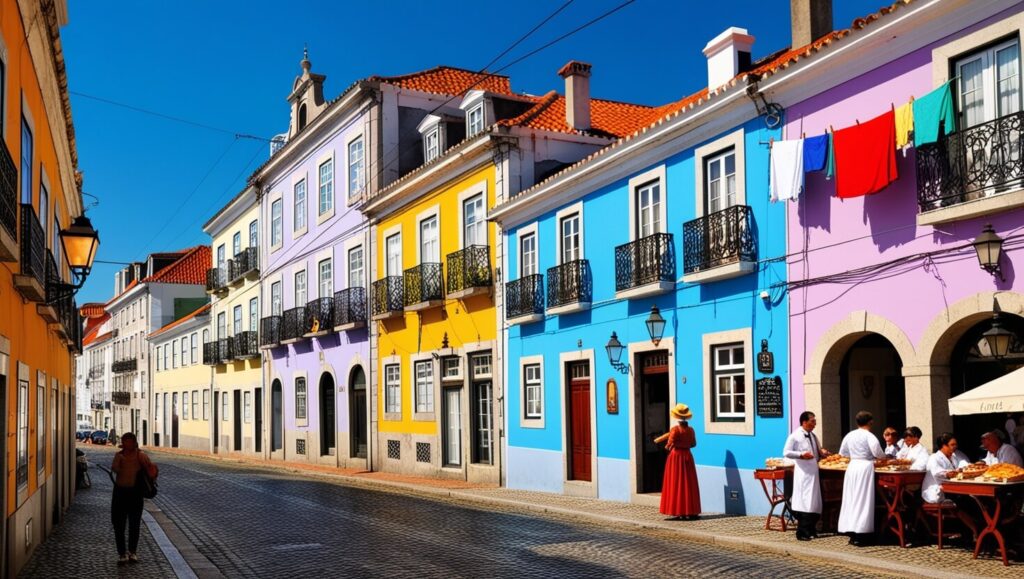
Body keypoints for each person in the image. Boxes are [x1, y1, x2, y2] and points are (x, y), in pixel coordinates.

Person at [837, 411, 886, 546]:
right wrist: (886, 457)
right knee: (863, 499)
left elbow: (842, 453)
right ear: (870, 422)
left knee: (851, 498)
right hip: (865, 467)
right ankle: (861, 533)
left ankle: (851, 532)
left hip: (852, 466)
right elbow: (878, 452)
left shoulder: (849, 435)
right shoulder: (869, 436)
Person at [111, 432, 157, 564]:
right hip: (120, 493)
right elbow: (114, 468)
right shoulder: (118, 456)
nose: (127, 444)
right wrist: (118, 465)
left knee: (134, 525)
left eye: (130, 442)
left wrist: (150, 474)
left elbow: (151, 470)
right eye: (126, 442)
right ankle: (122, 553)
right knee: (119, 525)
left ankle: (132, 552)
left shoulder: (141, 456)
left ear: (134, 443)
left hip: (135, 494)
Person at [921, 433, 978, 541]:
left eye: (955, 444)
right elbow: (938, 473)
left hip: (952, 489)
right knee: (959, 501)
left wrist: (966, 468)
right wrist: (951, 473)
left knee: (971, 499)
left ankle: (973, 528)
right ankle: (975, 529)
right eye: (952, 445)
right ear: (944, 445)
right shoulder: (934, 458)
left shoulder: (955, 455)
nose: (955, 447)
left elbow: (964, 464)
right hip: (936, 490)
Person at [783, 411, 830, 540]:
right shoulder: (795, 436)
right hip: (803, 474)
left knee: (814, 502)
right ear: (804, 422)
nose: (815, 424)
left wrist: (822, 452)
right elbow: (786, 452)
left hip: (813, 473)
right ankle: (802, 532)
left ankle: (811, 529)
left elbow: (817, 451)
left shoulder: (813, 436)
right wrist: (801, 455)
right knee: (805, 502)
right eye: (812, 421)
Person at [654, 403, 701, 521]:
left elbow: (668, 446)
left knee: (676, 483)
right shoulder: (691, 430)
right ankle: (691, 511)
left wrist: (667, 444)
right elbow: (694, 444)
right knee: (688, 484)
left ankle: (679, 511)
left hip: (676, 457)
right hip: (688, 456)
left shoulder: (675, 430)